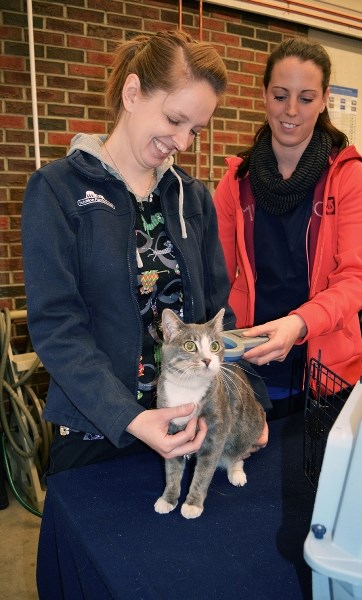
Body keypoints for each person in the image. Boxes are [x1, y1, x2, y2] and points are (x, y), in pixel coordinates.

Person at [22, 29, 269, 477]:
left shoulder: (191, 197)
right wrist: (132, 418)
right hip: (98, 433)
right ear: (133, 93)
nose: (184, 142)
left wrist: (250, 403)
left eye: (195, 129)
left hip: (191, 419)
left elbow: (218, 315)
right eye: (175, 120)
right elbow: (57, 328)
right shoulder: (57, 190)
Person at [214, 37, 362, 419]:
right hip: (249, 363)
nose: (291, 110)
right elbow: (216, 276)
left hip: (324, 372)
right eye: (280, 95)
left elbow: (356, 280)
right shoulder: (236, 181)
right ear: (264, 95)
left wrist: (300, 322)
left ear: (324, 101)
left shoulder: (349, 177)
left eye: (306, 98)